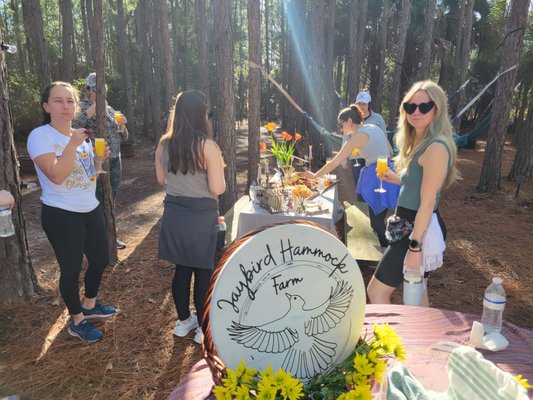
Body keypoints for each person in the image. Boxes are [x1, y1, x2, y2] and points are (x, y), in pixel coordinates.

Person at [27, 81, 117, 343]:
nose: (65, 106)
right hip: (61, 213)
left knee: (100, 259)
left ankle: (89, 305)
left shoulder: (80, 139)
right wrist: (73, 144)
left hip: (90, 208)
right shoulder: (41, 136)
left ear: (76, 106)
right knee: (71, 268)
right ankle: (76, 321)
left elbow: (87, 176)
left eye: (69, 101)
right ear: (46, 106)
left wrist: (98, 161)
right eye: (58, 100)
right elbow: (56, 175)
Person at [367, 80, 459, 306]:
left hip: (416, 228)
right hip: (410, 224)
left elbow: (427, 203)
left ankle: (388, 341)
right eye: (410, 107)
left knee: (377, 291)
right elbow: (420, 185)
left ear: (436, 110)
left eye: (424, 107)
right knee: (418, 293)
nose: (415, 112)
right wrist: (396, 179)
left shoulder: (436, 147)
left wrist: (415, 248)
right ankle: (420, 339)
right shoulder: (422, 142)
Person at [155, 90, 225, 344]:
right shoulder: (208, 146)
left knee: (182, 270)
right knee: (204, 271)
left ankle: (184, 322)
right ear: (201, 115)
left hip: (174, 214)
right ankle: (203, 329)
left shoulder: (164, 143)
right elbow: (217, 188)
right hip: (201, 216)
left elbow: (162, 180)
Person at [306, 104, 399, 248]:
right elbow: (391, 152)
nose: (340, 129)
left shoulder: (356, 138)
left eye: (341, 125)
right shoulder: (374, 127)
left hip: (377, 177)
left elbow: (334, 163)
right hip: (389, 172)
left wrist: (314, 176)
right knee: (378, 219)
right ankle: (386, 248)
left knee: (376, 222)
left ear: (349, 121)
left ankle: (388, 251)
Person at [72, 72, 128, 249]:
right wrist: (93, 108)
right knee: (95, 199)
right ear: (88, 90)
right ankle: (93, 239)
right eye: (95, 89)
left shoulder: (111, 110)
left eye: (102, 89)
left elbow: (124, 137)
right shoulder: (82, 107)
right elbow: (73, 126)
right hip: (94, 161)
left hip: (114, 161)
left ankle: (111, 236)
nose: (99, 92)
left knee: (110, 199)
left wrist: (122, 126)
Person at [342, 92, 388, 189]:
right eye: (359, 104)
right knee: (359, 185)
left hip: (373, 157)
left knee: (373, 185)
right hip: (356, 157)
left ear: (368, 104)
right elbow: (346, 138)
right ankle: (361, 203)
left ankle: (370, 203)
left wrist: (387, 155)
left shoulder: (378, 118)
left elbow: (384, 137)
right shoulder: (350, 119)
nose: (361, 106)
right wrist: (343, 159)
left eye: (364, 104)